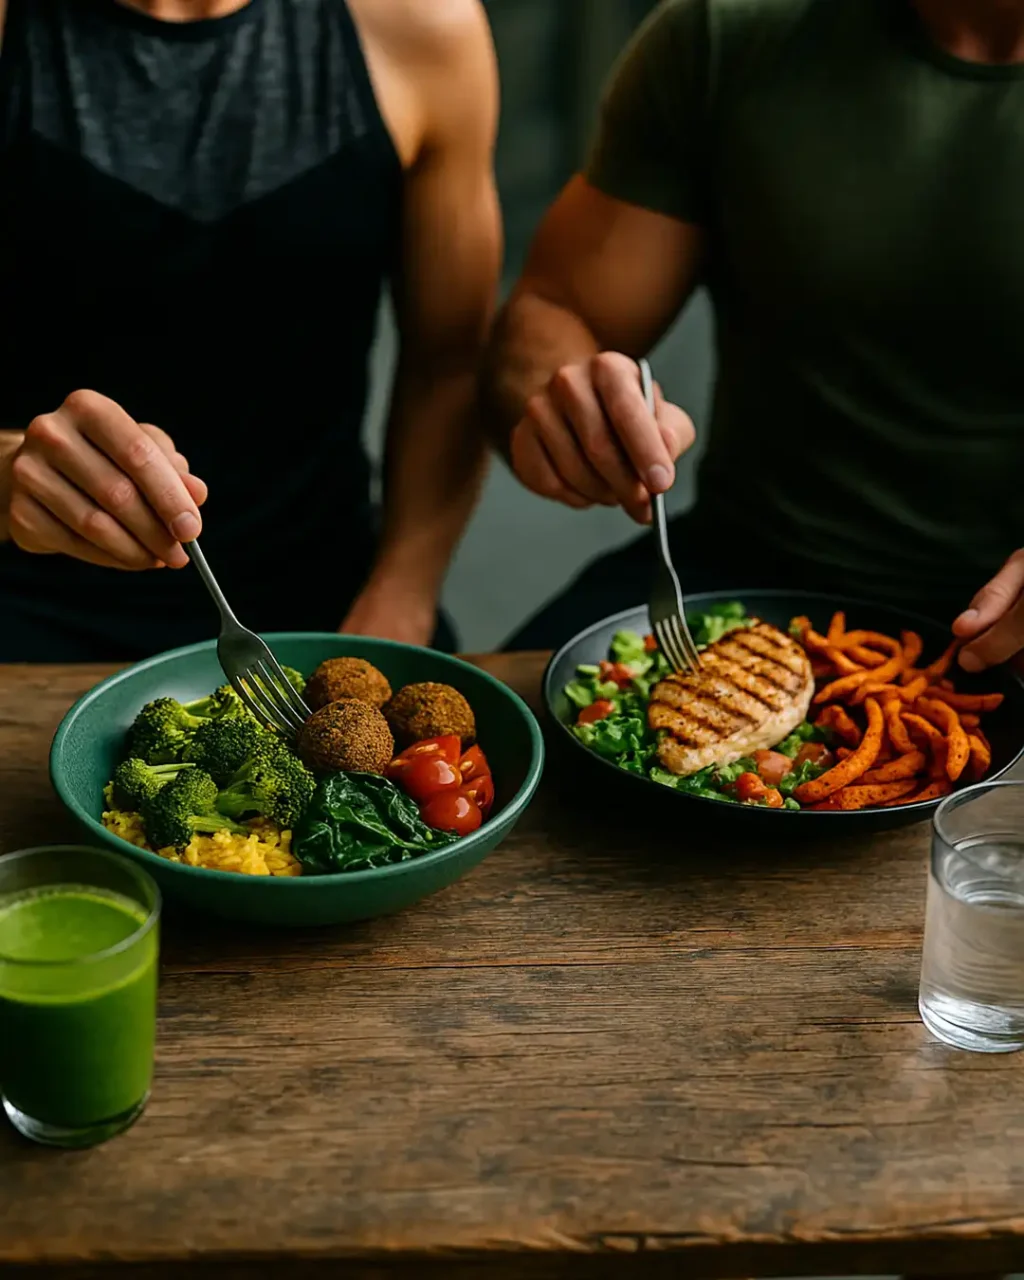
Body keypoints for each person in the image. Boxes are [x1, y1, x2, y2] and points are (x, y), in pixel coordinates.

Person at [486, 0, 1024, 674]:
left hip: (1005, 624)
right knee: (480, 743)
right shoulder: (729, 28)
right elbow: (554, 310)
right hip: (740, 580)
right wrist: (567, 399)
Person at [0, 0, 500, 661]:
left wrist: (403, 593)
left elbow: (451, 365)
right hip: (26, 598)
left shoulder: (422, 27)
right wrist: (8, 475)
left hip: (326, 597)